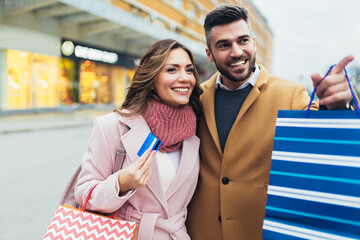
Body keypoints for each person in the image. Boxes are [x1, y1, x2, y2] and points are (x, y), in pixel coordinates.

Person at [186, 4, 354, 240]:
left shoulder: (292, 94)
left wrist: (336, 107)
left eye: (243, 40)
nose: (236, 52)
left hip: (262, 232)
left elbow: (322, 144)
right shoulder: (194, 98)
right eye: (224, 45)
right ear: (209, 53)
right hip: (203, 232)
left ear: (254, 43)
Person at [74, 39, 203, 240]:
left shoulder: (194, 134)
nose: (184, 77)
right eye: (172, 70)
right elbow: (83, 192)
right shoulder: (112, 125)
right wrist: (121, 183)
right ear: (151, 80)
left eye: (189, 70)